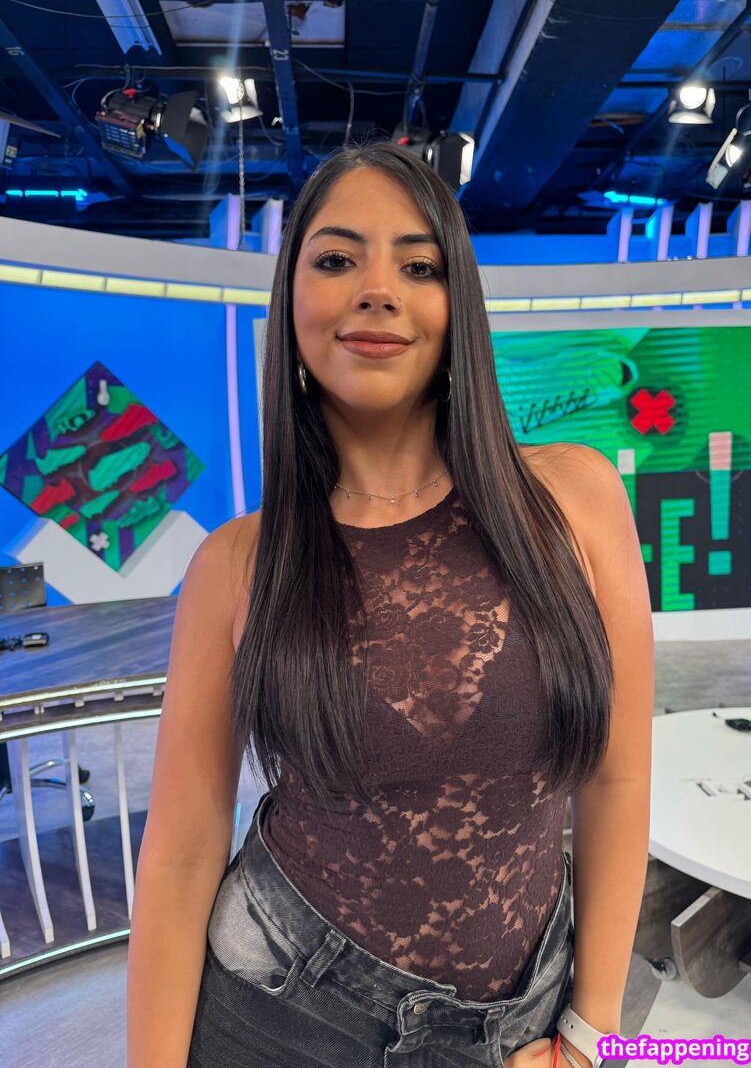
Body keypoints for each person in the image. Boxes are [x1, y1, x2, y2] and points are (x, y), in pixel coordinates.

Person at [127, 140, 654, 1068]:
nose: (378, 290)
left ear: (459, 307)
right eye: (337, 259)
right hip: (283, 1016)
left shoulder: (574, 500)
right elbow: (178, 854)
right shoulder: (237, 564)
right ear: (291, 296)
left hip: (523, 1021)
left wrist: (589, 1031)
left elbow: (615, 777)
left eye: (419, 266)